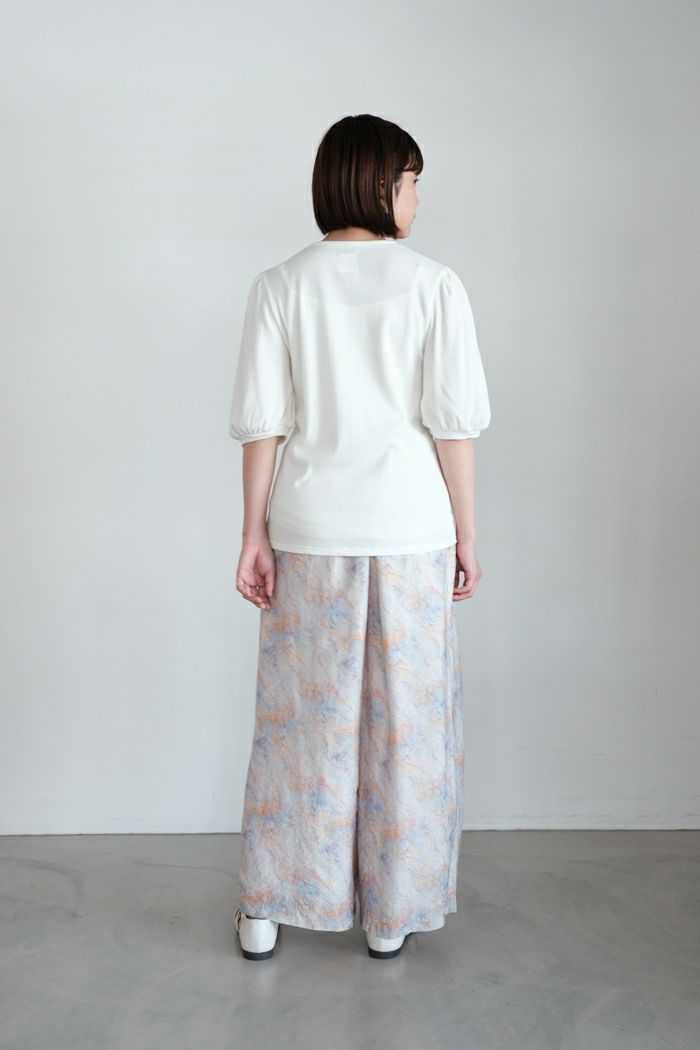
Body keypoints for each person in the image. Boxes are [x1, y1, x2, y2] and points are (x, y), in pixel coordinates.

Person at [228, 113, 491, 961]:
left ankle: (268, 906)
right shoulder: (434, 284)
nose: (417, 199)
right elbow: (453, 426)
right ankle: (390, 913)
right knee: (406, 731)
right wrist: (466, 532)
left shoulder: (280, 285)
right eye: (412, 182)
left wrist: (252, 533)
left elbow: (263, 426)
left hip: (310, 530)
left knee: (301, 726)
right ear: (381, 184)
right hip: (411, 531)